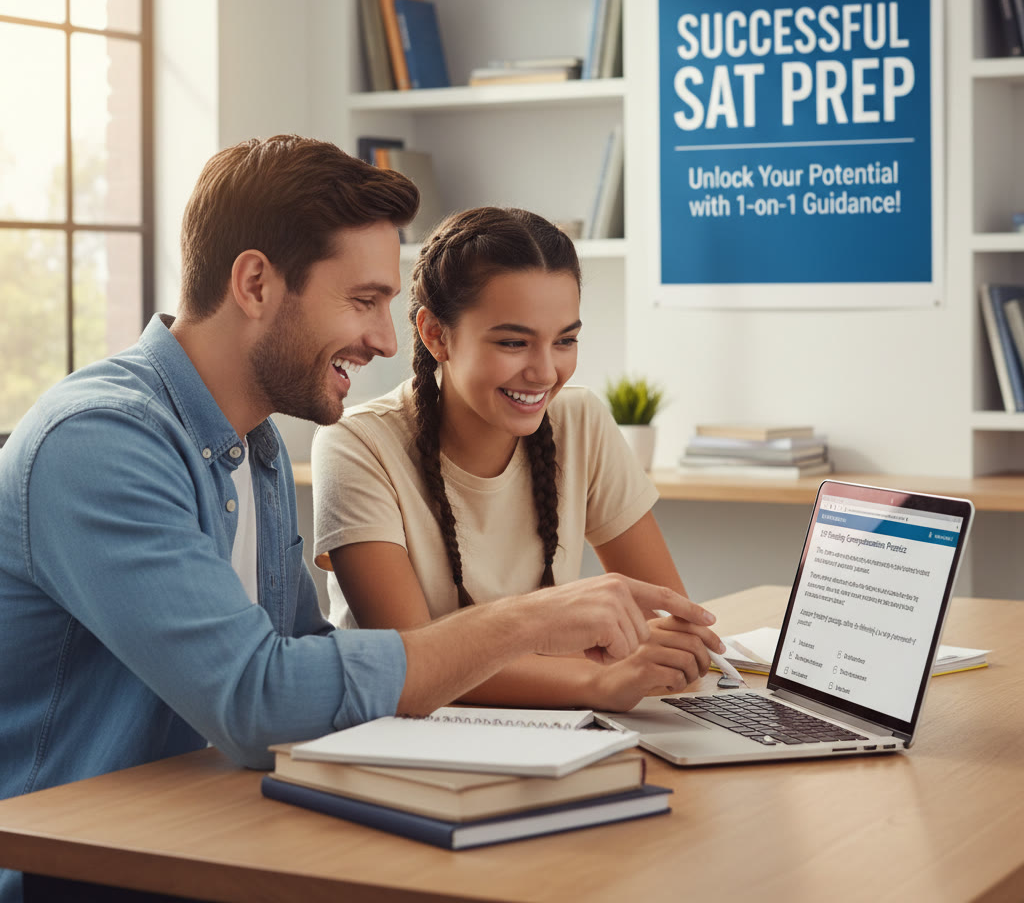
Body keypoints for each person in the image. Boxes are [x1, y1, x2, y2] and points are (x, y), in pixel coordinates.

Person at [0, 138, 724, 903]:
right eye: (363, 300)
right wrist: (527, 623)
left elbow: (313, 662)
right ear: (255, 283)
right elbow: (260, 701)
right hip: (77, 874)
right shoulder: (101, 442)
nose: (386, 339)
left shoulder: (255, 443)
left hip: (210, 833)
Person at [312, 205, 720, 713]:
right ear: (436, 334)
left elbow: (672, 629)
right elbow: (408, 669)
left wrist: (634, 665)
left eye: (565, 340)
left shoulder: (581, 420)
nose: (545, 372)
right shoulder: (356, 446)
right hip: (413, 747)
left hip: (564, 735)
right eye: (513, 342)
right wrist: (596, 678)